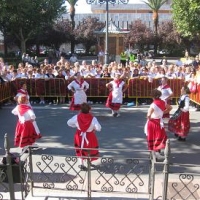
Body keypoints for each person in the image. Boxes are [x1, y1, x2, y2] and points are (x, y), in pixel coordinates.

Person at [67, 103, 101, 170]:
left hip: (79, 135)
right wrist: (93, 128)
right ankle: (89, 162)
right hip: (90, 136)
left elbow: (69, 122)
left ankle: (81, 164)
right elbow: (99, 128)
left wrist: (76, 126)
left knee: (80, 149)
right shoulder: (93, 118)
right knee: (89, 149)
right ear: (89, 110)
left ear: (81, 110)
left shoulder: (77, 117)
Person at [144, 89, 168, 158]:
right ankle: (157, 152)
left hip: (152, 122)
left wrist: (149, 118)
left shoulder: (153, 105)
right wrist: (162, 113)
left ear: (153, 96)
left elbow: (148, 115)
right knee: (159, 136)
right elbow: (170, 108)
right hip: (159, 121)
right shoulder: (163, 102)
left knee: (152, 137)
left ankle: (153, 153)